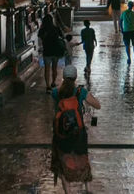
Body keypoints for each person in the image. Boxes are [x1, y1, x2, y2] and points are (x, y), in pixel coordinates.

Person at [51, 64, 101, 192]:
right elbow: (97, 105)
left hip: (61, 134)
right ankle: (88, 189)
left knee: (63, 162)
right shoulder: (80, 92)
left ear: (63, 77)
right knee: (82, 159)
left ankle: (68, 191)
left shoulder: (55, 92)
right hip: (78, 133)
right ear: (75, 77)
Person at [38, 13, 66, 92]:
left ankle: (47, 86)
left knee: (47, 69)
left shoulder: (42, 30)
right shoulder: (56, 28)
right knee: (54, 68)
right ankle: (53, 82)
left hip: (47, 51)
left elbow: (40, 38)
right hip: (56, 51)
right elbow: (63, 36)